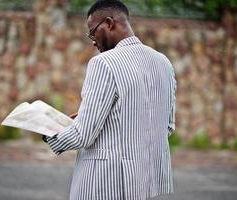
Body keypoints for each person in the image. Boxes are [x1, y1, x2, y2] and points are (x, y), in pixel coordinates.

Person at [43, 0, 176, 199]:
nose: (93, 40)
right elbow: (167, 126)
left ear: (109, 23)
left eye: (92, 32)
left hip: (105, 184)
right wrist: (104, 118)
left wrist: (49, 131)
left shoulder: (103, 63)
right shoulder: (163, 62)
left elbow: (83, 135)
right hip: (144, 183)